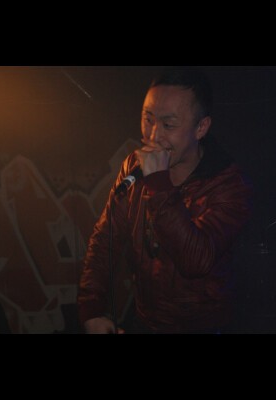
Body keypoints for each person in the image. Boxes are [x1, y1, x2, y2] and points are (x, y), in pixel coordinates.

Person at [77, 66, 253, 334]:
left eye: (169, 125)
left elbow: (195, 260)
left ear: (201, 127)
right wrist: (91, 309)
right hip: (146, 322)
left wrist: (159, 184)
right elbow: (106, 239)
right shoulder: (134, 166)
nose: (154, 135)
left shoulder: (228, 185)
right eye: (148, 119)